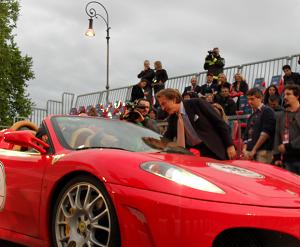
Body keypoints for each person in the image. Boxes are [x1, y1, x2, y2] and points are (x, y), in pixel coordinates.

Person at [154, 88, 236, 160]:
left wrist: (230, 145)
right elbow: (167, 138)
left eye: (164, 104)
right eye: (161, 105)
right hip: (194, 155)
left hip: (214, 149)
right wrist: (154, 150)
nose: (163, 108)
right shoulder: (172, 118)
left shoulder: (197, 103)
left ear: (174, 99)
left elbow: (219, 123)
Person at [243, 88, 276, 164]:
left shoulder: (267, 111)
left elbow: (266, 133)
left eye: (252, 99)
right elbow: (246, 135)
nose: (249, 102)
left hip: (263, 152)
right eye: (248, 99)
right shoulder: (252, 116)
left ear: (260, 98)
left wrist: (254, 150)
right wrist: (244, 150)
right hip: (250, 152)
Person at [273, 85, 300, 174]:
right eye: (284, 95)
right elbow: (277, 135)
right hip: (287, 159)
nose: (285, 97)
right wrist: (276, 157)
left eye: (288, 94)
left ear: (297, 96)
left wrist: (289, 146)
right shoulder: (281, 115)